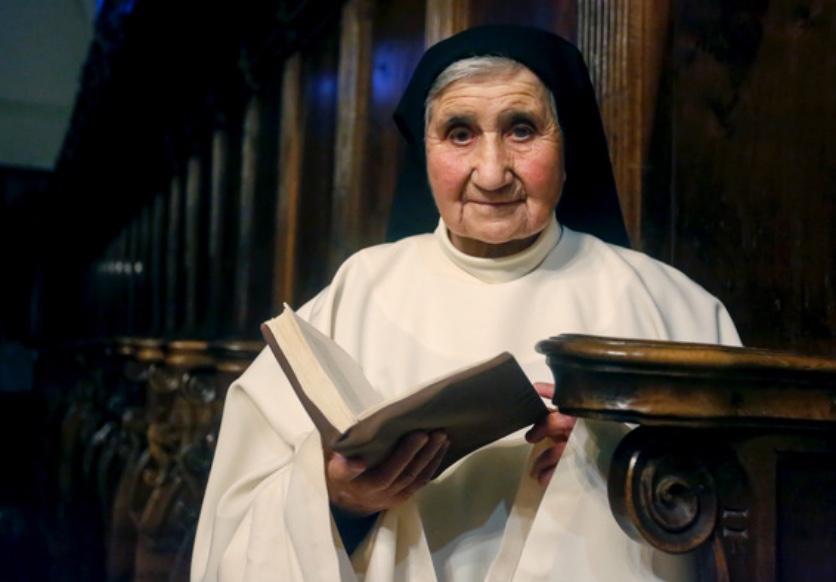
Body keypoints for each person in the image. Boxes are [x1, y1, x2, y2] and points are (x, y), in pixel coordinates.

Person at [191, 24, 740, 582]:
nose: (493, 171)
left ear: (568, 145)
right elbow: (237, 522)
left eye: (522, 130)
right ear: (424, 152)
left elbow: (749, 516)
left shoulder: (671, 309)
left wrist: (615, 463)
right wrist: (337, 499)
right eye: (459, 133)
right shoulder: (355, 293)